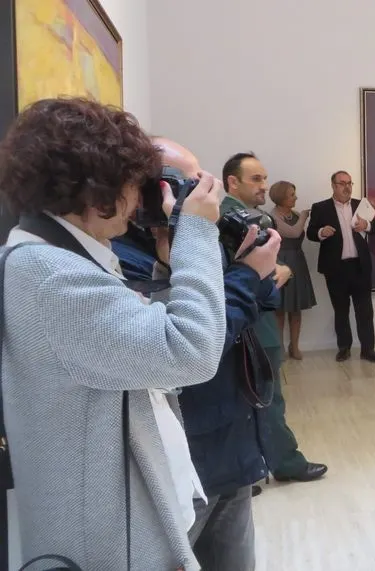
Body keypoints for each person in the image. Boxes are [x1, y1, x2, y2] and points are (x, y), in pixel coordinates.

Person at [0, 98, 226, 570]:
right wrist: (198, 233)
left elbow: (139, 353)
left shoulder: (59, 258)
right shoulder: (52, 276)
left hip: (121, 521)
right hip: (109, 545)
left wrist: (170, 258)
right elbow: (192, 351)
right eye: (132, 183)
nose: (139, 199)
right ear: (95, 190)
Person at [128, 139, 281, 570]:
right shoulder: (122, 258)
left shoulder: (196, 237)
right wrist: (245, 275)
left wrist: (250, 270)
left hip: (231, 439)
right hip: (184, 456)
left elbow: (263, 298)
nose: (200, 191)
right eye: (184, 182)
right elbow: (193, 345)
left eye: (199, 179)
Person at [221, 152, 328, 485]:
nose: (263, 186)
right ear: (232, 182)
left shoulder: (244, 217)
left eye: (265, 179)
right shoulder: (229, 220)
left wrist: (278, 270)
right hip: (251, 323)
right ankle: (283, 462)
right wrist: (277, 272)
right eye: (256, 179)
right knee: (267, 397)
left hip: (249, 320)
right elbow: (242, 273)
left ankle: (250, 468)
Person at [306, 170, 375, 363]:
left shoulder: (361, 205)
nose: (347, 187)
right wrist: (322, 232)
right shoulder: (320, 208)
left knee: (365, 311)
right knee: (341, 310)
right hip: (335, 268)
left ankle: (368, 350)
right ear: (333, 185)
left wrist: (366, 226)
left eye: (349, 183)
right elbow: (311, 233)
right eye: (342, 183)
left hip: (360, 267)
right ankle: (344, 348)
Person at [269, 180, 317, 360]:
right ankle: (279, 347)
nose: (295, 198)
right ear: (281, 197)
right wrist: (304, 216)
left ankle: (294, 346)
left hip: (298, 261)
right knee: (280, 309)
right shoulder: (273, 217)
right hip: (280, 262)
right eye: (291, 195)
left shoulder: (295, 215)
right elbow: (294, 232)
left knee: (296, 309)